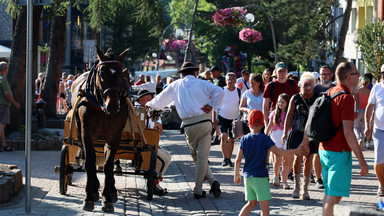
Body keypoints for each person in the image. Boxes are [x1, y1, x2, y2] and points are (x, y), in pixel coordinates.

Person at [146, 62, 224, 198]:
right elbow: (220, 92)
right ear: (194, 72)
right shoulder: (203, 83)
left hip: (189, 125)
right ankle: (212, 182)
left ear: (182, 74)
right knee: (202, 157)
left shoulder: (176, 85)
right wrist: (212, 105)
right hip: (205, 122)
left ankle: (199, 189)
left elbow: (158, 101)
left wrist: (146, 105)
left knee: (198, 158)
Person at [301, 62, 369, 216]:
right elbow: (348, 133)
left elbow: (311, 118)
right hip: (338, 152)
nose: (360, 76)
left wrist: (305, 140)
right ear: (349, 77)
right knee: (334, 197)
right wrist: (361, 159)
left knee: (329, 193)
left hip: (324, 150)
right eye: (357, 73)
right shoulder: (346, 98)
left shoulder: (331, 91)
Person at [234, 109, 302, 216]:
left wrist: (236, 174)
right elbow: (279, 153)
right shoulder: (265, 138)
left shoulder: (244, 139)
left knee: (251, 203)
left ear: (248, 125)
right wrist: (296, 151)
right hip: (260, 177)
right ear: (262, 125)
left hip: (247, 177)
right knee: (264, 207)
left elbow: (237, 160)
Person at [281, 72, 318, 199]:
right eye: (304, 84)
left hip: (311, 134)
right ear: (300, 85)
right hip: (297, 132)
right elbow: (289, 116)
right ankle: (296, 187)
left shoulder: (317, 98)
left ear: (313, 86)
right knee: (297, 158)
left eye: (309, 85)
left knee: (308, 159)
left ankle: (305, 189)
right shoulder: (295, 98)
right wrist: (285, 132)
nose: (306, 87)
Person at [135, 89, 171, 196]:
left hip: (149, 141)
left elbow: (149, 124)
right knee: (164, 160)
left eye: (151, 98)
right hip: (144, 144)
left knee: (167, 157)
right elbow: (142, 127)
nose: (151, 100)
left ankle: (155, 182)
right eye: (148, 98)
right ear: (141, 99)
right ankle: (154, 184)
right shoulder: (139, 109)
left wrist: (155, 124)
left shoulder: (145, 110)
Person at [312, 65, 336, 189]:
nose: (324, 76)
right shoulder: (315, 89)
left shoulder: (336, 88)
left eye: (326, 74)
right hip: (318, 125)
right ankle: (318, 178)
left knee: (331, 152)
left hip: (333, 124)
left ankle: (329, 177)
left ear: (332, 75)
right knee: (317, 152)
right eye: (322, 74)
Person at [364, 64, 384, 197]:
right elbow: (369, 108)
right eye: (383, 72)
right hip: (379, 130)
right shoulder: (377, 87)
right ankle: (382, 184)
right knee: (378, 160)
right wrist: (367, 125)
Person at [265, 93, 290, 189]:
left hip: (287, 135)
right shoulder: (274, 113)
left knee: (286, 160)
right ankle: (276, 176)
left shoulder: (290, 113)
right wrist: (265, 137)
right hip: (276, 135)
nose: (280, 103)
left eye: (283, 102)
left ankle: (285, 181)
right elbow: (269, 127)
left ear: (287, 103)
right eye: (279, 101)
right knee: (278, 158)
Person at [215, 72, 241, 167]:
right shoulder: (221, 91)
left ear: (235, 81)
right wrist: (215, 118)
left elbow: (241, 105)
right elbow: (216, 105)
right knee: (223, 136)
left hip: (234, 119)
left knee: (231, 139)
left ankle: (229, 159)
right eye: (228, 79)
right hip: (222, 117)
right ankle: (224, 158)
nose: (230, 81)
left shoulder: (239, 91)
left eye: (232, 79)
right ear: (225, 81)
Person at [263, 62, 300, 126]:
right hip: (275, 120)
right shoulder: (270, 86)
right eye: (280, 71)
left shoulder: (293, 83)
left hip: (291, 119)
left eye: (284, 71)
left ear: (287, 71)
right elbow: (265, 107)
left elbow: (299, 100)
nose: (282, 73)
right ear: (275, 72)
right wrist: (266, 124)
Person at [0, 62, 20, 152]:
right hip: (3, 104)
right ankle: (3, 144)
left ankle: (4, 145)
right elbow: (6, 93)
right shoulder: (3, 79)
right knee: (2, 124)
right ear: (4, 69)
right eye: (7, 68)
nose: (8, 70)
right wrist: (15, 103)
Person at [354, 76, 370, 149]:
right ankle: (363, 142)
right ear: (368, 83)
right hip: (365, 110)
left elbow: (354, 100)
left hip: (358, 109)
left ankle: (358, 138)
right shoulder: (369, 92)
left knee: (356, 126)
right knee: (364, 127)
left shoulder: (358, 90)